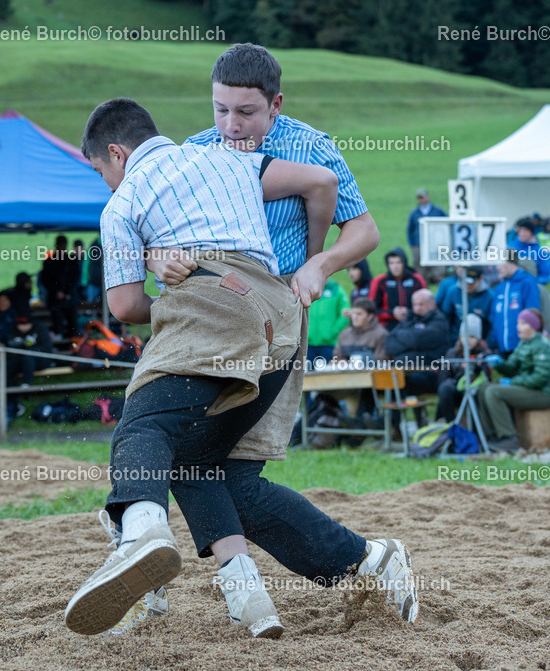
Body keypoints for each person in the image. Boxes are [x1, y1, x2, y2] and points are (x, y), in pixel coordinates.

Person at [68, 92, 415, 638]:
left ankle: (139, 536)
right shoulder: (226, 158)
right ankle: (341, 567)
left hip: (213, 308)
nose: (105, 182)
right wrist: (313, 262)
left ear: (115, 153)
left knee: (144, 423)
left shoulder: (124, 200)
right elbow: (321, 183)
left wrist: (166, 280)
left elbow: (125, 308)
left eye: (99, 171)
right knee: (214, 470)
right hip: (280, 316)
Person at [480, 309, 550, 451]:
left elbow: (539, 379)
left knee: (494, 392)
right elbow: (511, 367)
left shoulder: (543, 346)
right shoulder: (524, 343)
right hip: (528, 388)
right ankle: (493, 434)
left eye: (523, 323)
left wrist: (513, 382)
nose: (518, 326)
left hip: (542, 393)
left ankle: (508, 438)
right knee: (483, 388)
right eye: (518, 323)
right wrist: (500, 365)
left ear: (534, 326)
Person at [383, 289, 449, 396]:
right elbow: (389, 344)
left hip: (430, 372)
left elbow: (417, 340)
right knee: (386, 380)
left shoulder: (439, 322)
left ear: (432, 305)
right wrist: (412, 341)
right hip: (404, 370)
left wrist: (399, 335)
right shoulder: (409, 319)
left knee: (402, 382)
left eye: (421, 304)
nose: (417, 308)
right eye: (415, 304)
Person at [435, 314, 491, 423]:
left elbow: (487, 377)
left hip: (475, 391)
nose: (468, 340)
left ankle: (477, 433)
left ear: (478, 339)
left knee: (474, 392)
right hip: (455, 391)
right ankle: (450, 424)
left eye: (472, 337)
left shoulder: (484, 354)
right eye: (464, 336)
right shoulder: (452, 353)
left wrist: (479, 367)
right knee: (445, 388)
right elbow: (444, 376)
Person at [489, 254, 541, 358]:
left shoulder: (527, 283)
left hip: (522, 347)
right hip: (502, 348)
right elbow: (494, 317)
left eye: (500, 264)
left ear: (509, 263)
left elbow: (533, 314)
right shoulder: (500, 287)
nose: (497, 268)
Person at [370, 248, 426, 331]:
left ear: (404, 263)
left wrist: (408, 312)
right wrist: (392, 313)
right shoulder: (380, 281)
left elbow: (426, 305)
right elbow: (372, 309)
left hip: (413, 323)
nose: (395, 267)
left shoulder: (417, 280)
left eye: (398, 262)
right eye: (391, 263)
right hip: (387, 326)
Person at [440, 267, 493, 344]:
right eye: (465, 282)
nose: (467, 285)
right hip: (456, 339)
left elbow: (491, 323)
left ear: (480, 278)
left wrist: (486, 342)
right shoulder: (453, 292)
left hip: (480, 341)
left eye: (471, 283)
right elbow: (446, 316)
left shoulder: (489, 296)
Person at [41, 235, 79, 339]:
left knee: (72, 321)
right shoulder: (49, 261)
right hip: (55, 298)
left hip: (68, 297)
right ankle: (59, 334)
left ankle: (74, 339)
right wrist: (56, 292)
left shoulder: (71, 261)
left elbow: (75, 279)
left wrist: (67, 293)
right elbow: (45, 279)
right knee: (57, 318)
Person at [406, 187, 447, 280]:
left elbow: (447, 225)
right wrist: (413, 244)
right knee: (420, 272)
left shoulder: (438, 211)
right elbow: (409, 230)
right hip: (419, 245)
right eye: (420, 198)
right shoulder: (414, 213)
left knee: (440, 271)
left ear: (428, 197)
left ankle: (440, 292)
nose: (422, 199)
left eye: (423, 197)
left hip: (436, 245)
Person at [306, 279, 349, 366]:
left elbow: (345, 314)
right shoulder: (306, 288)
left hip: (329, 344)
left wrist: (333, 332)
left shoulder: (336, 290)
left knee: (327, 375)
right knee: (306, 376)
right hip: (307, 343)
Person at [333, 297, 388, 363]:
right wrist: (340, 362)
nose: (354, 317)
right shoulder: (344, 334)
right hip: (345, 372)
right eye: (353, 313)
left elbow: (382, 360)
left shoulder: (381, 335)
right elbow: (336, 357)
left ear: (370, 316)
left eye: (359, 314)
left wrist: (357, 362)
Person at [5, 316, 54, 386]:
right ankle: (9, 389)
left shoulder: (40, 328)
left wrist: (28, 349)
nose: (23, 327)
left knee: (27, 357)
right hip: (21, 361)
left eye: (25, 325)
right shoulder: (13, 331)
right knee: (9, 364)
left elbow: (47, 348)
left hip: (40, 359)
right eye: (21, 325)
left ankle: (26, 383)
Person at [507, 219, 550, 284]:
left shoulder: (538, 251)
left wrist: (534, 283)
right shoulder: (510, 247)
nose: (523, 233)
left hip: (531, 284)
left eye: (526, 231)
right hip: (512, 284)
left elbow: (546, 274)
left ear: (532, 233)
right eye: (521, 230)